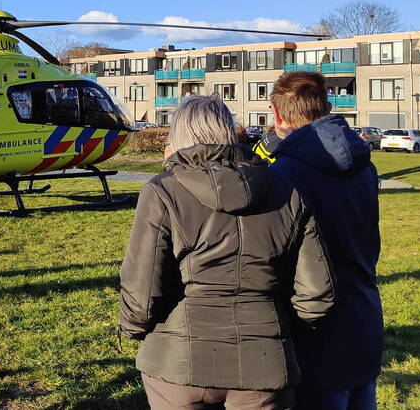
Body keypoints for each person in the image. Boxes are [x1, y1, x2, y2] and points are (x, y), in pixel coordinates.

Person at [119, 94, 335, 410]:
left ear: (178, 135)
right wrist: (282, 334)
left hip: (178, 364)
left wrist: (132, 329)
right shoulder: (286, 190)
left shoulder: (163, 190)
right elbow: (316, 293)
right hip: (264, 362)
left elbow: (142, 287)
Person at [268, 72, 383, 409]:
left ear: (277, 114)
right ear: (326, 107)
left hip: (315, 328)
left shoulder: (284, 174)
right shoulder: (364, 166)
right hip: (364, 313)